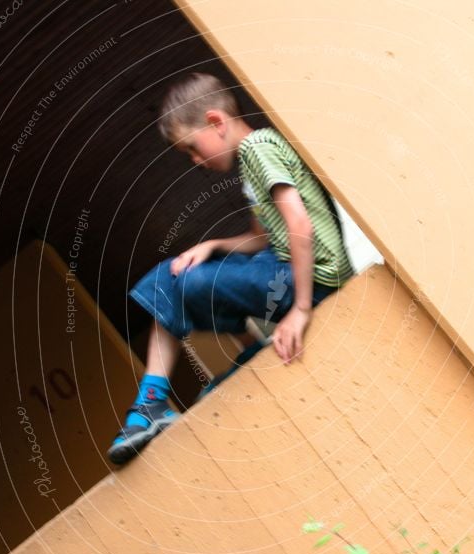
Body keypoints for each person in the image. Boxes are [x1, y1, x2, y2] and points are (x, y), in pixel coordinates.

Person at [107, 72, 354, 465]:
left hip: (311, 278)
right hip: (284, 268)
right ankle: (190, 385)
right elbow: (262, 237)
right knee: (216, 390)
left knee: (172, 280)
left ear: (216, 123)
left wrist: (302, 309)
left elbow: (300, 226)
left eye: (191, 147)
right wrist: (212, 245)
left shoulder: (258, 147)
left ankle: (149, 403)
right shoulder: (251, 163)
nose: (195, 160)